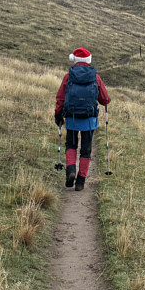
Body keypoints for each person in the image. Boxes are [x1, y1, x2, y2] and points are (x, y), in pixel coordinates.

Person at [54, 47, 111, 190]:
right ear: (88, 60)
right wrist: (106, 100)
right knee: (86, 150)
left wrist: (58, 114)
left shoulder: (68, 77)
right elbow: (104, 99)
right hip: (89, 119)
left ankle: (71, 170)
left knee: (71, 145)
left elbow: (60, 98)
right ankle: (80, 181)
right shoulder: (96, 77)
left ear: (75, 60)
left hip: (72, 118)